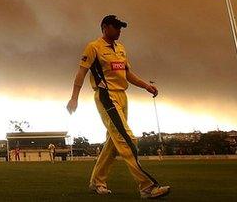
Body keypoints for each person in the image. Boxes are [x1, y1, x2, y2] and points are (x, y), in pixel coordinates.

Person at [66, 15, 171, 199]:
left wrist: (146, 85)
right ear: (105, 27)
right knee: (128, 139)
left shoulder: (121, 49)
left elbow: (127, 74)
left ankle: (97, 181)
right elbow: (81, 72)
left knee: (114, 142)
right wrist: (74, 98)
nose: (119, 30)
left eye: (120, 27)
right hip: (106, 97)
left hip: (122, 96)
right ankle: (147, 187)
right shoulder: (94, 47)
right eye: (116, 27)